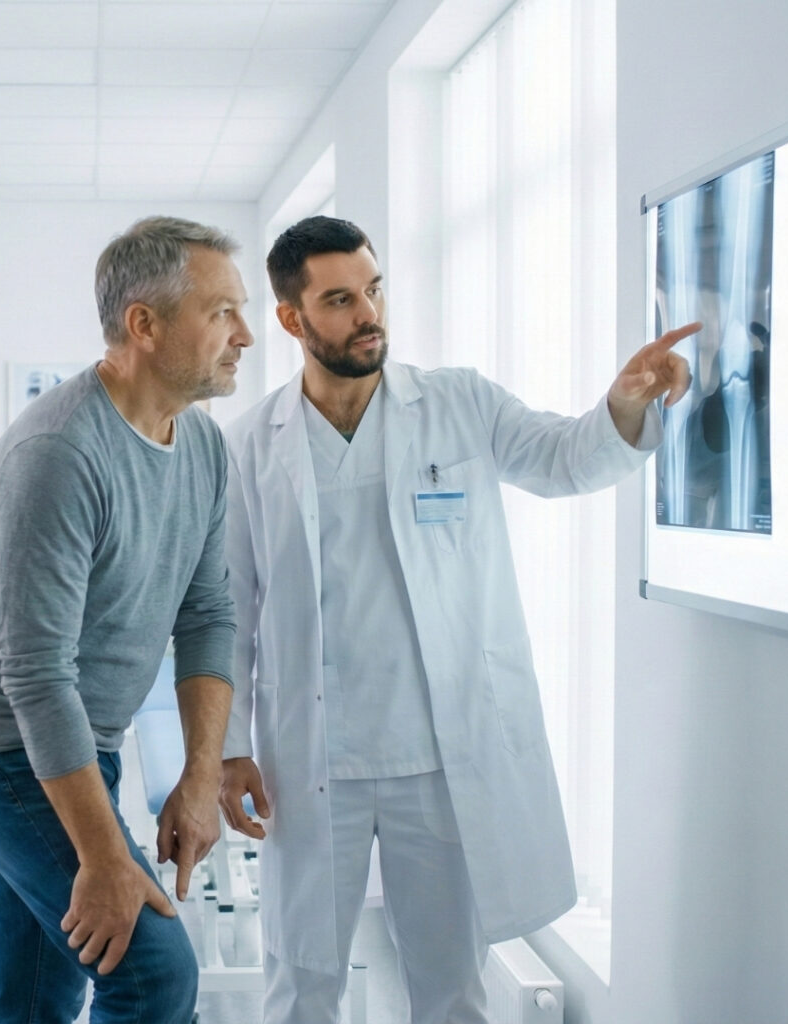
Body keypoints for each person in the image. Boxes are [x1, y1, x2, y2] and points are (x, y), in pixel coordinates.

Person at [219, 215, 696, 1024]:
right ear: (292, 320)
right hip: (310, 762)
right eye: (340, 299)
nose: (369, 312)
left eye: (373, 290)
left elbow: (563, 457)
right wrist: (228, 750)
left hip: (438, 758)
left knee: (450, 988)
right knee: (302, 984)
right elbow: (230, 609)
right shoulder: (247, 446)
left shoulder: (458, 403)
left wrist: (621, 405)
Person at [0, 215, 253, 1024]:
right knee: (152, 972)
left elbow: (208, 614)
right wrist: (106, 855)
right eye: (220, 313)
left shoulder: (202, 447)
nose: (244, 334)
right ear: (144, 324)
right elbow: (35, 673)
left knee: (39, 991)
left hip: (77, 740)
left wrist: (198, 778)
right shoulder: (60, 455)